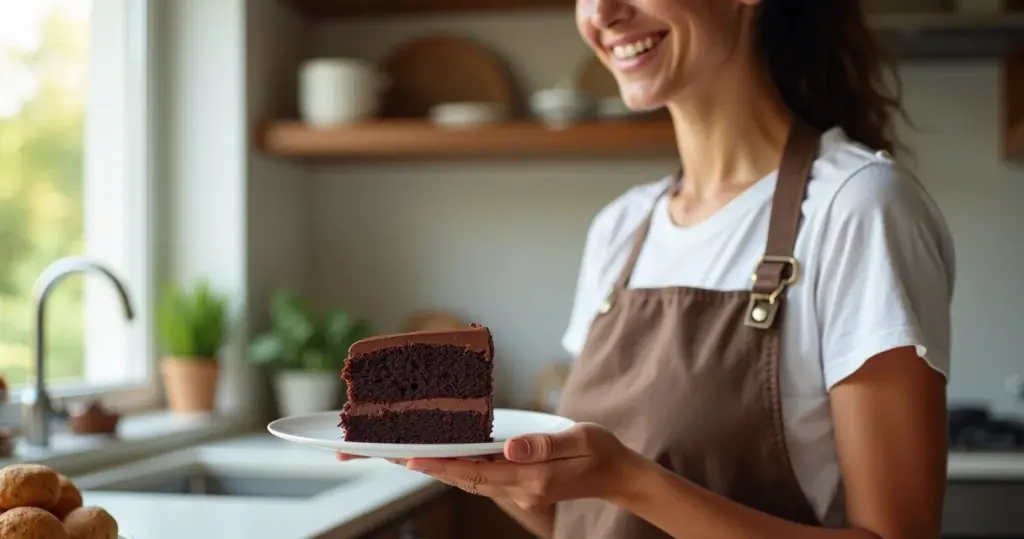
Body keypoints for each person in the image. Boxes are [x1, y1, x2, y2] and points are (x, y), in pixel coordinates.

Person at [338, 0, 956, 537]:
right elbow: (577, 521)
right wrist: (453, 456)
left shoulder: (857, 208)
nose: (602, 14)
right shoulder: (622, 228)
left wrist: (628, 480)